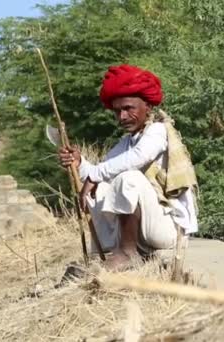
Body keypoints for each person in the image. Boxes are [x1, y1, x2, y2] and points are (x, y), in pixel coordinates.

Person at [58, 64, 198, 271]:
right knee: (99, 189)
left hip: (167, 231)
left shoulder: (158, 131)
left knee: (128, 178)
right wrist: (80, 164)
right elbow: (100, 170)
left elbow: (138, 158)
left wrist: (96, 174)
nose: (122, 117)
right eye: (117, 111)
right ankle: (110, 250)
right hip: (145, 232)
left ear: (148, 107)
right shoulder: (127, 142)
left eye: (128, 109)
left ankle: (127, 253)